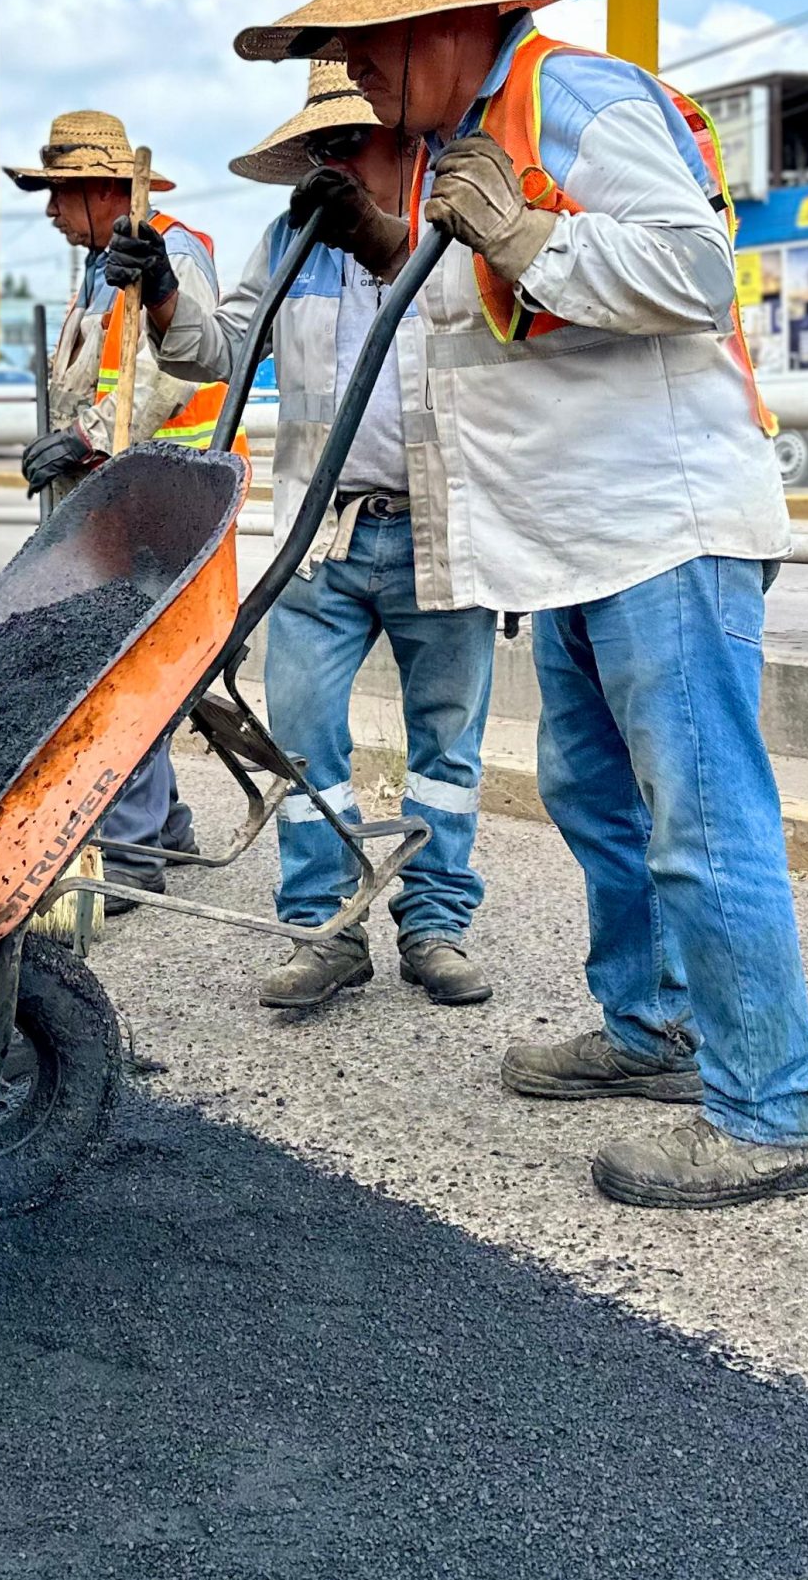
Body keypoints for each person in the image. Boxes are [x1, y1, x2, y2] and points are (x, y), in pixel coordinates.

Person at [232, 0, 808, 1208]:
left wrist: (520, 230)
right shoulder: (464, 136)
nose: (351, 78)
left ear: (432, 25)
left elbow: (686, 270)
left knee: (700, 818)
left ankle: (771, 1107)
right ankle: (653, 1032)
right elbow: (470, 302)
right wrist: (400, 233)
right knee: (603, 806)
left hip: (659, 529)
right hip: (567, 543)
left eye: (359, 49)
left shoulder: (576, 99)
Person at [150, 62, 497, 1008]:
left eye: (351, 139)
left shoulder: (454, 224)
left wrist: (382, 238)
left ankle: (434, 923)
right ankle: (323, 927)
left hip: (441, 529)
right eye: (323, 145)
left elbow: (493, 331)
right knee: (301, 738)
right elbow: (218, 348)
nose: (336, 158)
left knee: (448, 748)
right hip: (323, 537)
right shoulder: (288, 240)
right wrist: (163, 300)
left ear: (401, 133)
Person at [7, 109, 226, 906]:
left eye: (58, 194)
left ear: (102, 191)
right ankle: (162, 824)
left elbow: (173, 376)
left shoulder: (172, 253)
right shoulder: (97, 271)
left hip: (164, 498)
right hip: (112, 499)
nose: (50, 212)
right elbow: (94, 374)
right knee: (120, 665)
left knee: (126, 674)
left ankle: (130, 856)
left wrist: (86, 435)